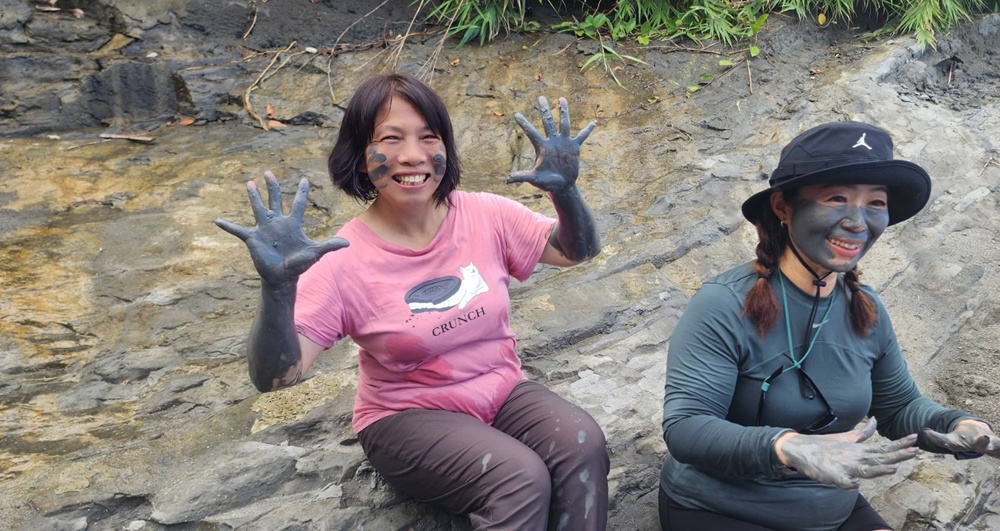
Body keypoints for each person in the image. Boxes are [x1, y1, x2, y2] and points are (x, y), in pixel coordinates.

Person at [215, 73, 609, 530]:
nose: (412, 155)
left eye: (428, 137)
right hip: (406, 417)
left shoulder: (484, 213)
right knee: (518, 477)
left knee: (584, 443)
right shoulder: (344, 258)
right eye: (391, 139)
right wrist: (278, 289)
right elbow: (277, 379)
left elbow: (573, 251)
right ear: (361, 158)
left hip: (499, 390)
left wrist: (565, 192)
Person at [658, 121, 1000, 531]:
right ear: (784, 207)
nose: (858, 223)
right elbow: (687, 426)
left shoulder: (865, 308)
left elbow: (898, 408)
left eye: (875, 203)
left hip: (832, 510)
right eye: (837, 198)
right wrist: (789, 447)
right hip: (723, 510)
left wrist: (960, 425)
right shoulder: (724, 302)